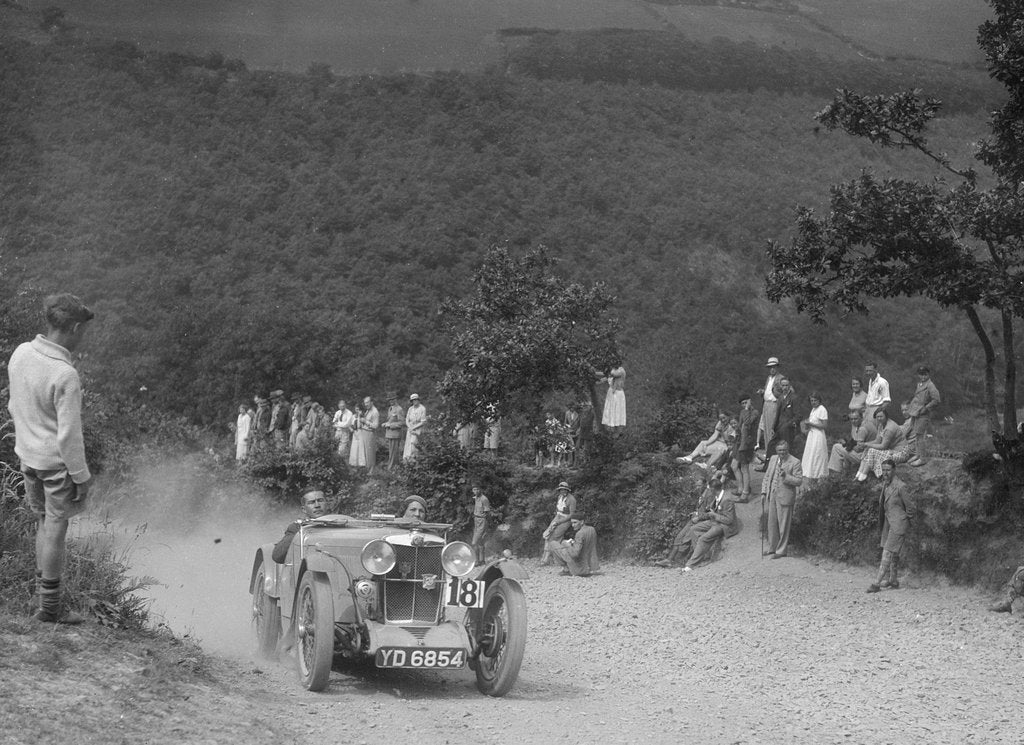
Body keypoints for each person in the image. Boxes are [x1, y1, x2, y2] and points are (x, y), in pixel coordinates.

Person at [8, 293, 95, 624]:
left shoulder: (21, 354)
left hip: (27, 457)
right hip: (56, 464)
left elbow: (14, 406)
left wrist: (27, 443)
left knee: (43, 522)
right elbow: (69, 435)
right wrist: (82, 476)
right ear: (73, 327)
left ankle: (42, 598)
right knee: (57, 528)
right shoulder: (65, 374)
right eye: (82, 330)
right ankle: (51, 607)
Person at [867, 460, 915, 593]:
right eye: (884, 470)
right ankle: (893, 580)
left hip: (898, 524)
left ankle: (876, 583)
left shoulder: (901, 486)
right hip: (888, 523)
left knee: (887, 552)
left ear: (894, 470)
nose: (885, 473)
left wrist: (904, 521)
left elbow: (910, 507)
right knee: (893, 554)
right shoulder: (886, 484)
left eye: (888, 470)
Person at [684, 483, 740, 571]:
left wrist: (714, 514)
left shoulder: (727, 499)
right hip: (715, 521)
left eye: (709, 489)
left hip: (724, 525)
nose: (709, 491)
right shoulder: (716, 497)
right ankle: (704, 558)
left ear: (713, 489)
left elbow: (729, 520)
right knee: (693, 529)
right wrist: (699, 518)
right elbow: (711, 512)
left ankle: (690, 565)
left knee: (703, 538)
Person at [762, 440, 802, 559]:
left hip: (785, 496)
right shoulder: (773, 459)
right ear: (776, 451)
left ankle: (781, 550)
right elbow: (767, 476)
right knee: (772, 523)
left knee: (783, 524)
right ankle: (772, 548)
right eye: (780, 450)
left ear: (788, 449)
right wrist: (764, 492)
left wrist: (786, 477)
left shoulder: (795, 462)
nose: (782, 453)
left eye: (784, 450)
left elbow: (799, 481)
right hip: (772, 494)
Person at [272, 486, 331, 564]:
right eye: (311, 502)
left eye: (320, 500)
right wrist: (301, 530)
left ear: (327, 504)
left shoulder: (341, 524)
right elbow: (277, 556)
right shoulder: (297, 527)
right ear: (304, 509)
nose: (317, 505)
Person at [854, 407, 913, 481]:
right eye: (877, 417)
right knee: (868, 449)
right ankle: (859, 474)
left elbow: (883, 446)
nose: (879, 418)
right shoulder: (881, 425)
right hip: (892, 450)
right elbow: (877, 441)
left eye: (881, 416)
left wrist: (866, 444)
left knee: (872, 450)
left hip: (901, 452)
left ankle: (862, 477)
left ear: (886, 416)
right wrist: (865, 444)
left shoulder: (889, 428)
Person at [904, 366, 941, 467]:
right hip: (916, 412)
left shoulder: (930, 386)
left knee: (920, 436)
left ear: (928, 374)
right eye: (921, 374)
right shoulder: (920, 384)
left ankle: (923, 458)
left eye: (925, 374)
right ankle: (918, 455)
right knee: (916, 434)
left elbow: (936, 399)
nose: (923, 376)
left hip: (923, 414)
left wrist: (926, 408)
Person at [548, 512, 599, 577]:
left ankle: (566, 569)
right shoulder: (592, 529)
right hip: (590, 567)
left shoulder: (579, 534)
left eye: (575, 522)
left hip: (579, 569)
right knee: (561, 545)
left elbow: (575, 554)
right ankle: (589, 569)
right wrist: (573, 543)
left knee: (553, 544)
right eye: (572, 523)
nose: (573, 525)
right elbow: (586, 545)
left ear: (582, 522)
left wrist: (566, 544)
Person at [828, 409, 877, 474]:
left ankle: (836, 473)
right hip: (869, 452)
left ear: (861, 417)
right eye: (851, 419)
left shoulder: (862, 429)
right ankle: (845, 472)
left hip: (865, 456)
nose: (853, 421)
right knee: (844, 449)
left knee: (836, 447)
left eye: (855, 419)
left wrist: (845, 444)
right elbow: (857, 443)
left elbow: (858, 449)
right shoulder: (867, 423)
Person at [541, 481, 576, 563]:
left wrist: (559, 521)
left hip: (566, 519)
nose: (563, 491)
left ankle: (550, 558)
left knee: (555, 536)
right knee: (547, 534)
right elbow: (558, 511)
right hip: (558, 516)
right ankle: (546, 557)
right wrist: (556, 520)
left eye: (564, 490)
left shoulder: (571, 500)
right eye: (561, 490)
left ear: (567, 490)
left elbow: (571, 515)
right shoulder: (560, 497)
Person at [733, 394, 760, 500]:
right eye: (742, 403)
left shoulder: (754, 412)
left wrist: (746, 409)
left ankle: (745, 493)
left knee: (744, 468)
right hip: (740, 442)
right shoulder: (742, 412)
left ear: (750, 401)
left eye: (746, 402)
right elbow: (740, 426)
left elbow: (748, 422)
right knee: (734, 465)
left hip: (747, 444)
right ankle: (741, 488)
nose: (744, 405)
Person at [767, 376, 800, 456]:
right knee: (771, 445)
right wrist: (773, 427)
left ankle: (787, 467)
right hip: (779, 428)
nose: (784, 387)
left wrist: (788, 425)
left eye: (786, 385)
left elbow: (798, 416)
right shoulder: (780, 397)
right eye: (783, 385)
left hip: (788, 429)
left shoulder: (794, 398)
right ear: (780, 386)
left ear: (789, 386)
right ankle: (767, 466)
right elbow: (777, 414)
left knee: (786, 449)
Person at [756, 357, 783, 451]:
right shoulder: (769, 378)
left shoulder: (780, 378)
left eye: (774, 367)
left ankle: (773, 452)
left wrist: (777, 395)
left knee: (772, 429)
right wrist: (762, 392)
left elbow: (785, 392)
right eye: (770, 367)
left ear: (777, 367)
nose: (772, 369)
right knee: (766, 429)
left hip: (773, 405)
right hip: (766, 405)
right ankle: (768, 452)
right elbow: (768, 391)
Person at [801, 393, 829, 483]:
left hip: (818, 436)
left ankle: (819, 476)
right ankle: (811, 476)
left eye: (815, 400)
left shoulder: (822, 409)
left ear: (819, 400)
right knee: (811, 455)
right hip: (812, 435)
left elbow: (824, 425)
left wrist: (811, 424)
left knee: (817, 455)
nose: (813, 402)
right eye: (811, 401)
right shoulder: (813, 409)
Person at [469, 484, 492, 562]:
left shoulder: (484, 499)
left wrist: (486, 525)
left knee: (474, 542)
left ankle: (476, 561)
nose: (476, 491)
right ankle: (481, 560)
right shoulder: (476, 498)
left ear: (480, 490)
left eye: (477, 489)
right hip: (476, 520)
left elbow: (487, 513)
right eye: (474, 490)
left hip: (482, 521)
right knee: (480, 542)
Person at [601, 362, 626, 429]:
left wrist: (596, 372)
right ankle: (611, 428)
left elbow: (613, 374)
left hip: (618, 393)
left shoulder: (621, 371)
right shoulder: (613, 370)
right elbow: (606, 377)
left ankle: (617, 431)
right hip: (612, 392)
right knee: (610, 410)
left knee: (617, 411)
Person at [383, 392, 405, 469]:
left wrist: (390, 425)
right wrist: (386, 423)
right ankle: (393, 467)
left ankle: (392, 468)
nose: (391, 401)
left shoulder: (399, 409)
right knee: (391, 452)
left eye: (392, 399)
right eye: (389, 400)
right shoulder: (390, 408)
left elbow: (402, 423)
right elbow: (391, 420)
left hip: (396, 434)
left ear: (396, 399)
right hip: (390, 434)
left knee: (394, 452)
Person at [403, 393, 427, 461]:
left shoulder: (422, 408)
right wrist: (409, 426)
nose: (414, 401)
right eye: (413, 400)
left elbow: (423, 422)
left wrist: (413, 428)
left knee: (414, 445)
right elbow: (407, 419)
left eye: (416, 400)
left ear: (418, 400)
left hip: (417, 429)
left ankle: (414, 461)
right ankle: (407, 462)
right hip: (410, 429)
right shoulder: (410, 409)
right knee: (408, 446)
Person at [360, 396, 379, 473]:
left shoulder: (375, 412)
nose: (366, 404)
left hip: (370, 433)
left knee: (370, 451)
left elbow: (376, 425)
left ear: (372, 402)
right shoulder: (368, 410)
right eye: (365, 403)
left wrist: (365, 421)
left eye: (367, 402)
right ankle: (368, 468)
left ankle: (372, 470)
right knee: (366, 451)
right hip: (365, 432)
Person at [577, 400, 595, 465]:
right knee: (581, 447)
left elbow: (591, 423)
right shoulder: (582, 414)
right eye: (584, 406)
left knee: (587, 448)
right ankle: (583, 461)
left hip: (589, 433)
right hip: (582, 433)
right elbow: (580, 423)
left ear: (590, 407)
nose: (585, 407)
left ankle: (587, 461)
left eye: (587, 406)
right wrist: (579, 429)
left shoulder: (592, 414)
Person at [563, 403, 581, 467]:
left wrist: (577, 432)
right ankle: (567, 462)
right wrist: (566, 430)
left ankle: (573, 462)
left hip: (575, 433)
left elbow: (579, 425)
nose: (572, 408)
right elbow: (565, 423)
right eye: (571, 407)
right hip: (569, 432)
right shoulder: (567, 413)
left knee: (574, 448)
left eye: (573, 407)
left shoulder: (578, 415)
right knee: (567, 447)